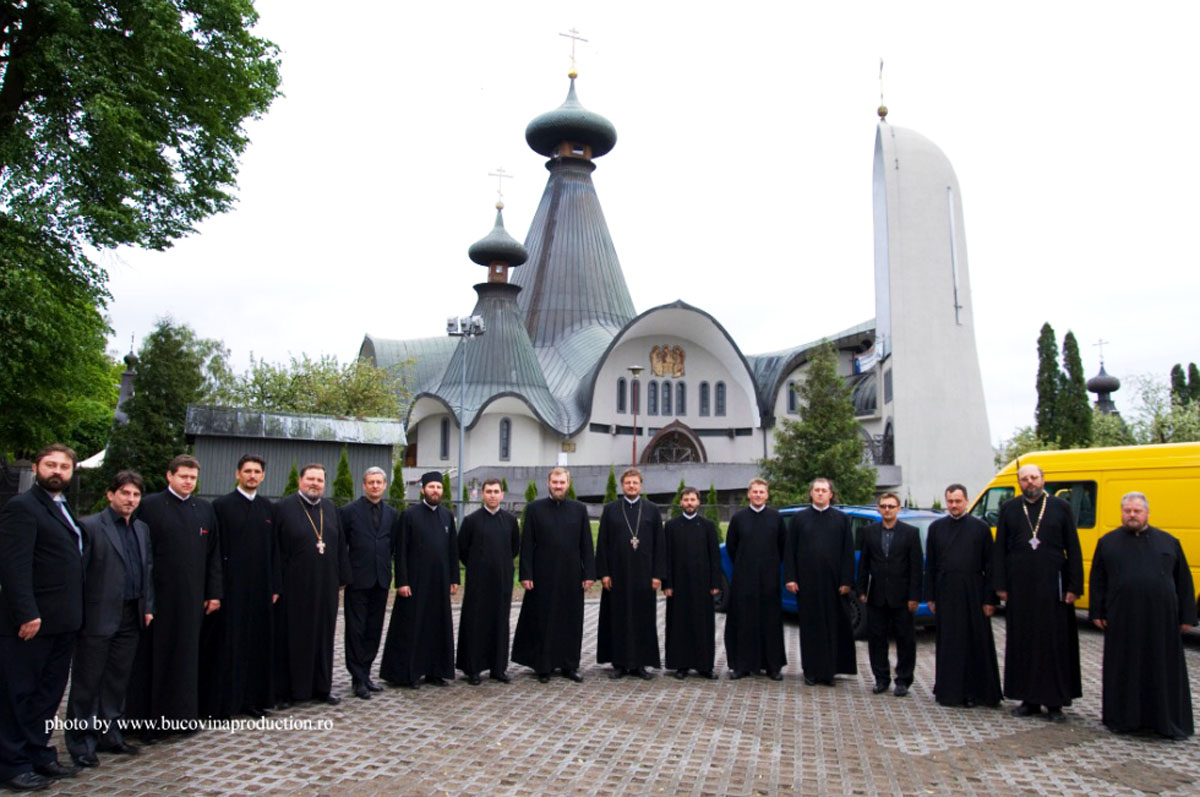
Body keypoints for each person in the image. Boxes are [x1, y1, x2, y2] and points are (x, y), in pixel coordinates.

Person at [0, 444, 84, 790]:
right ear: (36, 467)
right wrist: (27, 613)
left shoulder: (63, 507)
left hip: (62, 622)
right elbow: (14, 566)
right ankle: (11, 763)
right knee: (18, 694)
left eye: (65, 466)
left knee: (48, 695)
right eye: (51, 464)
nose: (58, 471)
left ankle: (38, 753)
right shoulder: (22, 508)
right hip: (31, 623)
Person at [65, 470, 154, 768]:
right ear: (110, 495)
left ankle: (110, 734)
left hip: (131, 615)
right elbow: (77, 577)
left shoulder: (141, 529)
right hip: (97, 617)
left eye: (136, 495)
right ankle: (80, 742)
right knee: (87, 684)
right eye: (125, 493)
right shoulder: (90, 527)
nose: (130, 500)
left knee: (117, 681)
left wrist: (148, 606)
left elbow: (147, 572)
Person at [1089, 492, 1196, 738]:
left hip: (1162, 621)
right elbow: (1098, 580)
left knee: (1161, 667)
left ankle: (1164, 720)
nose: (1132, 515)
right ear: (1122, 513)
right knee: (1125, 667)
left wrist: (1187, 616)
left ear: (1147, 512)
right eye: (1127, 511)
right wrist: (1097, 611)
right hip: (1123, 618)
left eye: (1137, 511)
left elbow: (1183, 582)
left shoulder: (1169, 542)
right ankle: (1124, 719)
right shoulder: (1108, 542)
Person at [128, 454, 222, 729]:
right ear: (169, 476)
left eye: (193, 478)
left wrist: (214, 592)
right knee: (154, 658)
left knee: (187, 658)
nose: (188, 482)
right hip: (157, 599)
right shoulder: (148, 507)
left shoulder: (204, 509)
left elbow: (213, 554)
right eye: (183, 476)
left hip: (192, 600)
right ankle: (150, 720)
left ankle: (183, 717)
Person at [993, 464, 1083, 722]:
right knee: (1024, 642)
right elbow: (1000, 549)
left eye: (1034, 478)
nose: (1030, 482)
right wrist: (1000, 585)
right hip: (1020, 587)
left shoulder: (1060, 507)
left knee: (1053, 643)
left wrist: (1074, 586)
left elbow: (1073, 549)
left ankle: (1054, 703)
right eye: (1025, 479)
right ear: (1019, 482)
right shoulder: (1010, 508)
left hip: (1052, 587)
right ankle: (1028, 699)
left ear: (1043, 480)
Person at [201, 455, 278, 718]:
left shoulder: (269, 508)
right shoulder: (221, 506)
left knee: (256, 645)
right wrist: (214, 590)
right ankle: (225, 704)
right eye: (247, 471)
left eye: (257, 471)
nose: (252, 476)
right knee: (228, 647)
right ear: (237, 474)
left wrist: (275, 585)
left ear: (263, 476)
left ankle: (252, 700)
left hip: (260, 589)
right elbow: (213, 551)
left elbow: (275, 551)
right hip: (230, 590)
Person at [274, 463, 350, 705]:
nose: (315, 484)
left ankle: (322, 687)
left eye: (319, 480)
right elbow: (274, 550)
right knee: (294, 637)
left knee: (324, 637)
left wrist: (342, 578)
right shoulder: (283, 508)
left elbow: (340, 545)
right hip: (294, 586)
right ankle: (290, 692)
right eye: (311, 479)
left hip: (326, 585)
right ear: (300, 481)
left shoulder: (330, 508)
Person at [512, 467, 596, 683]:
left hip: (571, 574)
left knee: (571, 620)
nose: (559, 486)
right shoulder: (534, 509)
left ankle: (570, 665)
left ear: (568, 484)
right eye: (555, 482)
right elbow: (527, 544)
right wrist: (526, 574)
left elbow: (586, 543)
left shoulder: (579, 510)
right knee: (543, 619)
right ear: (548, 483)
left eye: (562, 482)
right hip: (542, 573)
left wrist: (589, 574)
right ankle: (543, 665)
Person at [924, 484, 1002, 708]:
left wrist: (990, 599)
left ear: (966, 501)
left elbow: (991, 566)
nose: (954, 505)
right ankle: (949, 691)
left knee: (974, 643)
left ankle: (975, 692)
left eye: (958, 501)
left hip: (974, 593)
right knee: (949, 643)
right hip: (946, 592)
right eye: (950, 501)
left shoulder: (981, 528)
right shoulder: (937, 528)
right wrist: (930, 596)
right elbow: (931, 565)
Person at [380, 471, 459, 689]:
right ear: (423, 489)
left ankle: (436, 671)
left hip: (440, 581)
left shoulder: (446, 516)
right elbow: (401, 550)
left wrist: (454, 578)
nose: (435, 491)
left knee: (437, 626)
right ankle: (408, 673)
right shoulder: (409, 515)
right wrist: (402, 581)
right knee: (412, 627)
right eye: (431, 487)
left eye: (439, 487)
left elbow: (453, 549)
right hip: (415, 582)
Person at [596, 467, 666, 680]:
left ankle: (641, 664)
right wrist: (604, 573)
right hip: (617, 574)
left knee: (643, 618)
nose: (632, 486)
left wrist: (657, 575)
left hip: (644, 574)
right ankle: (619, 663)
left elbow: (660, 545)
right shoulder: (611, 510)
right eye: (628, 483)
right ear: (622, 485)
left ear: (641, 485)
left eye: (635, 483)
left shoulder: (652, 510)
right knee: (617, 617)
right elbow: (603, 542)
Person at [784, 477, 856, 686]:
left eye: (824, 490)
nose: (821, 493)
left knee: (833, 626)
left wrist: (846, 580)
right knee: (810, 626)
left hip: (834, 584)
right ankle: (811, 671)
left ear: (831, 494)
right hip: (807, 582)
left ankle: (829, 671)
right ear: (811, 494)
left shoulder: (842, 519)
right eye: (817, 490)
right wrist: (790, 578)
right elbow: (790, 550)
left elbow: (847, 552)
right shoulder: (799, 519)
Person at [855, 492, 922, 697]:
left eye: (891, 506)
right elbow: (864, 564)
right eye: (883, 506)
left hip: (902, 597)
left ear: (898, 509)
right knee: (876, 640)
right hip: (877, 596)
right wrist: (861, 590)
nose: (887, 510)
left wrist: (914, 596)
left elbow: (916, 567)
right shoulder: (869, 532)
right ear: (878, 509)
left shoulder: (910, 533)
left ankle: (903, 680)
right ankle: (881, 678)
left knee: (905, 640)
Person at [339, 466, 397, 699]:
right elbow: (341, 546)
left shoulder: (392, 514)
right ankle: (357, 678)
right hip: (357, 579)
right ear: (364, 485)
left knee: (374, 629)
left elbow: (392, 544)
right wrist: (342, 576)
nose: (375, 486)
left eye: (379, 482)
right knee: (356, 629)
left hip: (380, 579)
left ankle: (367, 672)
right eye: (370, 482)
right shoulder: (348, 512)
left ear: (384, 486)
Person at [456, 478, 520, 685]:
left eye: (496, 491)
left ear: (502, 495)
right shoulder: (471, 520)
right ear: (483, 494)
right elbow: (462, 549)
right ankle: (473, 668)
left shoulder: (510, 521)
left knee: (500, 622)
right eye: (489, 491)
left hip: (502, 580)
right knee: (475, 622)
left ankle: (498, 668)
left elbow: (514, 549)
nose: (492, 495)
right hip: (478, 581)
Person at [725, 478, 787, 681]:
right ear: (749, 495)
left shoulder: (776, 518)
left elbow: (782, 546)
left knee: (770, 621)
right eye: (755, 492)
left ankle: (772, 666)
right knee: (743, 621)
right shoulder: (739, 518)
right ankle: (742, 665)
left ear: (767, 495)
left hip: (769, 579)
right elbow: (732, 546)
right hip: (744, 578)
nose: (758, 495)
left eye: (762, 492)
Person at [663, 487, 721, 680]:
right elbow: (667, 557)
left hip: (702, 584)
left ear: (698, 502)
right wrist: (667, 584)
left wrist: (715, 583)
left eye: (692, 500)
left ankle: (705, 666)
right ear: (681, 503)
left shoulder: (708, 526)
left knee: (703, 624)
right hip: (678, 584)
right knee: (679, 624)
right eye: (686, 500)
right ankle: (681, 665)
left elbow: (715, 557)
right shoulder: (671, 526)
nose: (689, 503)